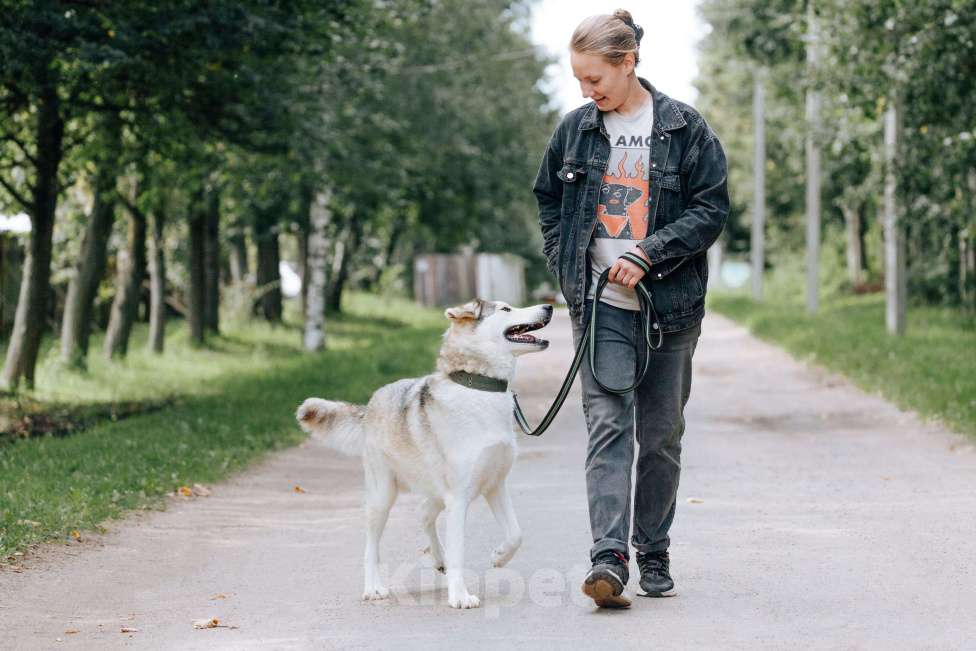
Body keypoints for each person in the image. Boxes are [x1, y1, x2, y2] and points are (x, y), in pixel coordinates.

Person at [533, 9, 730, 608]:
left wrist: (648, 254)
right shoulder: (575, 131)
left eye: (595, 79)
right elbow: (548, 199)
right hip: (600, 307)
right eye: (579, 80)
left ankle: (653, 548)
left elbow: (710, 209)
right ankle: (608, 558)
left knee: (662, 435)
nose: (586, 91)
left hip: (668, 304)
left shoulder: (683, 127)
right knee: (608, 428)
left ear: (628, 62)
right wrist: (566, 262)